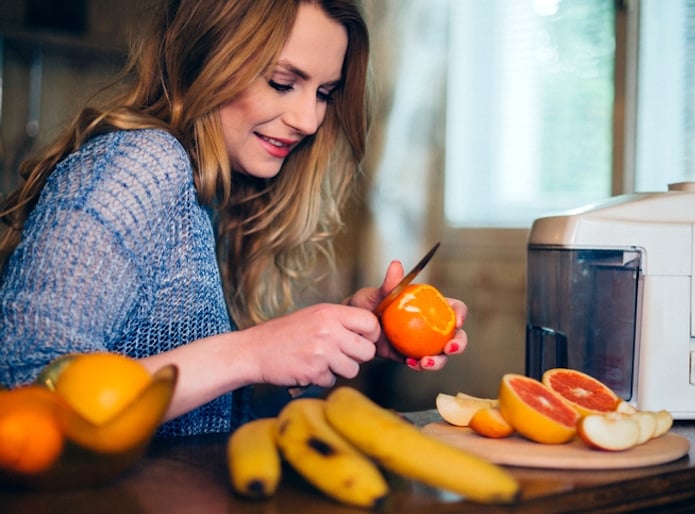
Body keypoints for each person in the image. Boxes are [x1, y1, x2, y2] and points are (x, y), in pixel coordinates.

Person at [0, 0, 468, 437]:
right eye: (282, 83)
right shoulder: (142, 164)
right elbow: (22, 393)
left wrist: (324, 344)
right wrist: (251, 352)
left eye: (324, 92)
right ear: (210, 58)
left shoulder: (216, 196)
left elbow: (204, 418)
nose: (308, 120)